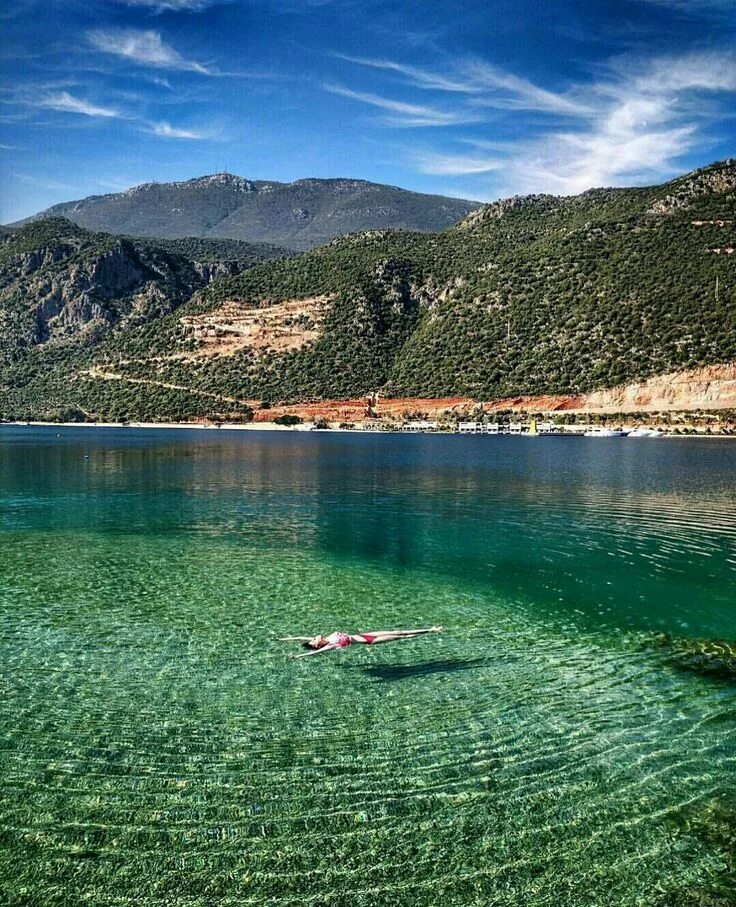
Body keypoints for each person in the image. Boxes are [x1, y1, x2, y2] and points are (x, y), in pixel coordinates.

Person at [279, 626, 443, 658]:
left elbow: (300, 638)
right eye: (315, 640)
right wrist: (299, 656)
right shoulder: (329, 645)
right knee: (401, 637)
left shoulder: (326, 638)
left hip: (365, 634)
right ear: (318, 644)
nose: (314, 637)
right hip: (371, 642)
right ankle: (429, 631)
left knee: (397, 631)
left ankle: (431, 628)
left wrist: (283, 639)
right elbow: (315, 653)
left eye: (313, 638)